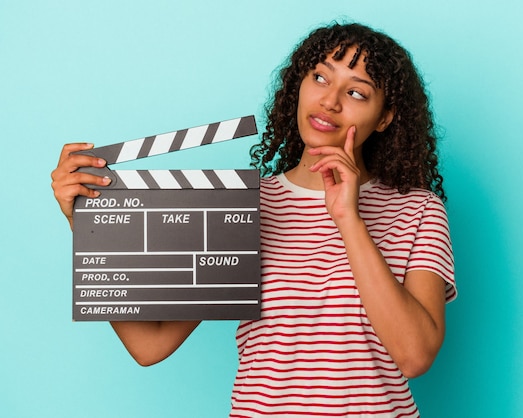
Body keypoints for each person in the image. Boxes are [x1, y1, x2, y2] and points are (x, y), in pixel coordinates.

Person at [52, 22, 456, 417]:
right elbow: (149, 345)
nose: (330, 101)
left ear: (384, 118)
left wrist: (348, 218)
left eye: (356, 92)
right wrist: (87, 225)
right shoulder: (245, 207)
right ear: (299, 85)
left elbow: (415, 355)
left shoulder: (417, 209)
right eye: (320, 77)